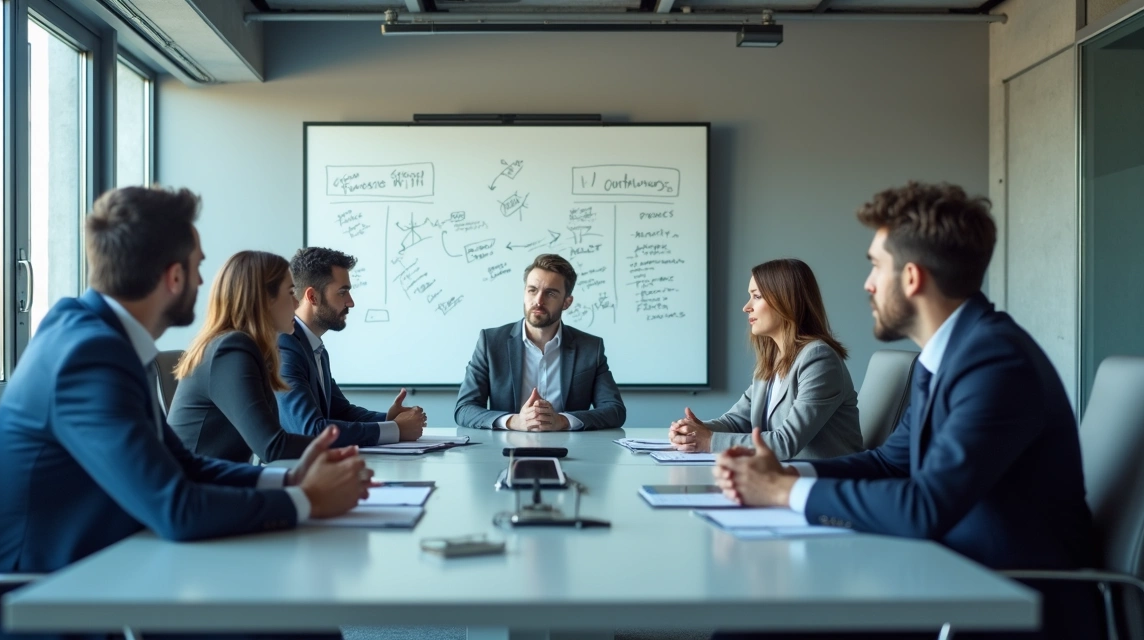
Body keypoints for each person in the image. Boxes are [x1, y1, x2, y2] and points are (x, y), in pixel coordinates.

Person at [0, 187, 371, 640]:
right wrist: (308, 501)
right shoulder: (89, 356)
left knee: (303, 626)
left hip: (108, 574)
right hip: (48, 609)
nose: (204, 282)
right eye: (198, 266)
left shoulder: (96, 336)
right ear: (174, 276)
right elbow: (176, 509)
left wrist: (288, 481)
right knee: (306, 633)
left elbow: (182, 463)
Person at [713, 182, 1100, 640]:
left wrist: (782, 493)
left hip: (1002, 600)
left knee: (756, 628)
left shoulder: (996, 363)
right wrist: (793, 478)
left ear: (912, 277)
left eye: (876, 266)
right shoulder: (943, 357)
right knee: (753, 622)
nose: (868, 284)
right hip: (944, 569)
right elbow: (889, 461)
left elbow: (925, 506)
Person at [668, 259, 861, 459]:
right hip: (788, 476)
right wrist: (694, 431)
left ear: (786, 301)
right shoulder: (773, 359)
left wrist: (709, 440)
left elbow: (785, 442)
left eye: (757, 296)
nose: (746, 307)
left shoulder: (819, 360)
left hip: (827, 481)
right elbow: (738, 421)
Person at [169, 250, 317, 463]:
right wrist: (347, 446)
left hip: (222, 482)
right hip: (201, 489)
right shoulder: (230, 350)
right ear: (264, 300)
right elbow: (272, 447)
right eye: (291, 292)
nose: (297, 304)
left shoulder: (240, 347)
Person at [454, 253, 626, 431]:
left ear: (567, 302)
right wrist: (514, 421)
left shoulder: (590, 348)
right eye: (532, 290)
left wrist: (562, 421)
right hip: (505, 451)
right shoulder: (491, 343)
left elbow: (615, 410)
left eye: (550, 293)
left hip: (571, 450)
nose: (538, 301)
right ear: (524, 293)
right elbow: (464, 409)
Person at [278, 247, 425, 447]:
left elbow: (342, 411)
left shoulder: (314, 348)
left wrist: (389, 419)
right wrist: (396, 429)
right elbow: (311, 429)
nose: (351, 302)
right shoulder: (285, 348)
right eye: (343, 292)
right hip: (293, 474)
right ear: (312, 297)